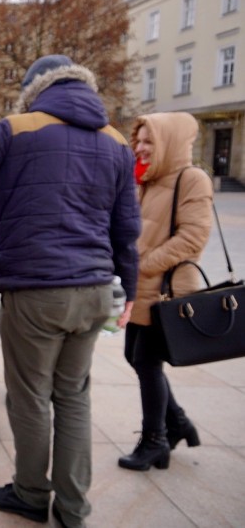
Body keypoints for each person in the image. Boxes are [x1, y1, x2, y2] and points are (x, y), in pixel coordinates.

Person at [0, 55, 141, 528]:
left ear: (35, 89)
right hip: (95, 290)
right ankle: (74, 510)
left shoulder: (17, 128)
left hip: (37, 292)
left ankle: (31, 495)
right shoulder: (116, 141)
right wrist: (129, 290)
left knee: (31, 396)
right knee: (73, 396)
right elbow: (127, 229)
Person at [117, 112, 213, 472]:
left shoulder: (192, 179)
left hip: (167, 292)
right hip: (142, 289)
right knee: (134, 356)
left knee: (146, 362)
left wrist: (141, 263)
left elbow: (192, 238)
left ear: (169, 142)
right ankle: (178, 422)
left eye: (148, 141)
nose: (139, 148)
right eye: (138, 140)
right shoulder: (146, 179)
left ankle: (155, 440)